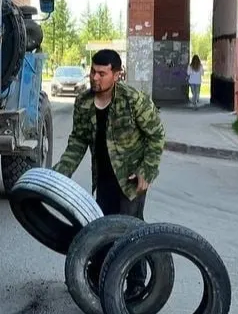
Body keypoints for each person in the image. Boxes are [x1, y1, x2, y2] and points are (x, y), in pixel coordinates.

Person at [53, 49, 166, 219]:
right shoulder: (83, 102)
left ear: (116, 75)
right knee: (103, 228)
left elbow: (156, 134)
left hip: (130, 179)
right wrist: (61, 173)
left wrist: (147, 170)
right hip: (103, 178)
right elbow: (78, 140)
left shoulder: (133, 100)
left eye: (101, 73)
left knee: (129, 231)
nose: (94, 77)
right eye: (92, 71)